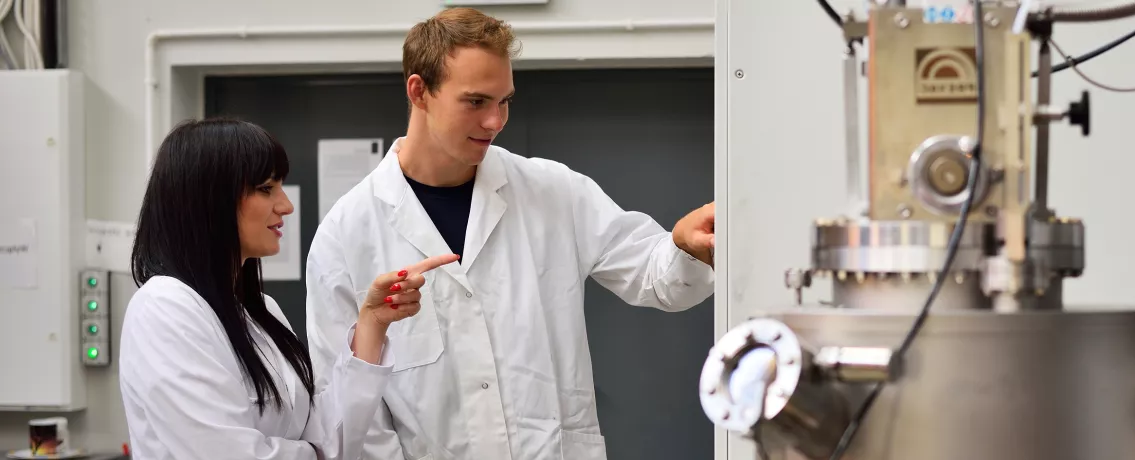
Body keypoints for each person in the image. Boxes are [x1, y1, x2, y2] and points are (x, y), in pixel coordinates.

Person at [303, 7, 716, 460]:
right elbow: (349, 415)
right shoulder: (345, 235)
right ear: (419, 91)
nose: (495, 121)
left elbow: (654, 277)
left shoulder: (554, 191)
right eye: (476, 102)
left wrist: (684, 245)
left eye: (504, 101)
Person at [118, 118, 460, 459]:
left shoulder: (261, 311)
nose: (286, 205)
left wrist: (372, 321)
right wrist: (315, 452)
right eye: (266, 189)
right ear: (209, 199)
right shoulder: (164, 307)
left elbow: (333, 442)